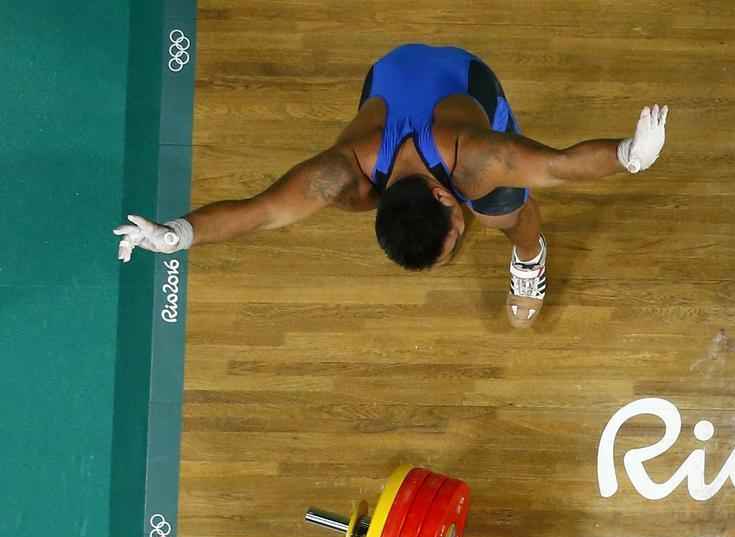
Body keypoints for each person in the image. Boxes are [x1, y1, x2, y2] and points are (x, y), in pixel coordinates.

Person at [114, 43, 669, 328]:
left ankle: (529, 257)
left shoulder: (479, 159)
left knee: (506, 210)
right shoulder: (340, 177)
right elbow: (260, 212)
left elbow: (561, 165)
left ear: (449, 198)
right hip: (387, 72)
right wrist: (175, 236)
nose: (454, 246)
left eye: (453, 239)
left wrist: (631, 155)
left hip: (462, 75)